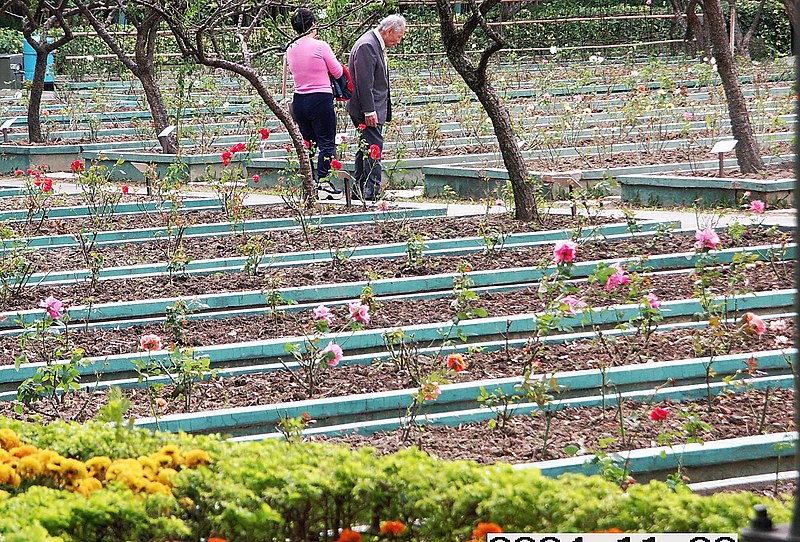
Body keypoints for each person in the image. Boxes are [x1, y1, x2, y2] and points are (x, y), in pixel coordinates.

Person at [346, 14, 406, 201]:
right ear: (388, 31)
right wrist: (369, 111)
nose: (399, 41)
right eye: (399, 36)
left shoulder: (374, 44)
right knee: (373, 148)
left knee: (365, 147)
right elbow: (364, 83)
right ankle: (372, 191)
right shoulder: (368, 46)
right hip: (367, 109)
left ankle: (359, 190)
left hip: (371, 107)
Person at [286, 7, 344, 200]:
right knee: (327, 142)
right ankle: (324, 182)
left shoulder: (290, 48)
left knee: (308, 143)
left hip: (300, 100)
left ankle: (309, 182)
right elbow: (337, 72)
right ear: (312, 25)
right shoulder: (320, 46)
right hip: (320, 98)